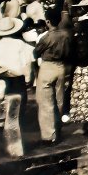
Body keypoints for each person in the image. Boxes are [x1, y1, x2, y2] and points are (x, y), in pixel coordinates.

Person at [34, 9, 72, 144]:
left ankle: (49, 136)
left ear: (48, 22)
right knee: (59, 100)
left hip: (48, 67)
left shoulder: (46, 37)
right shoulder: (66, 35)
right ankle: (58, 130)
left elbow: (35, 53)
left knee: (45, 103)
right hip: (61, 67)